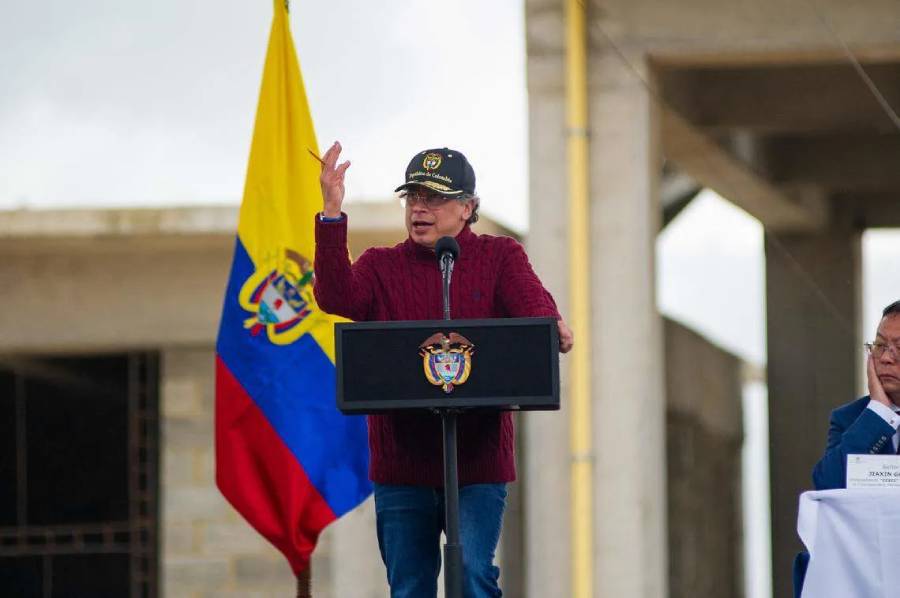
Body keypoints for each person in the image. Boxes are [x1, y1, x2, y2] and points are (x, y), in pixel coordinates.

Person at [313, 141, 573, 598]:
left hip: (477, 461)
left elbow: (532, 306)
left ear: (468, 208)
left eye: (434, 198)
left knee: (473, 574)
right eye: (412, 197)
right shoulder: (379, 265)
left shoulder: (500, 256)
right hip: (402, 465)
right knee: (409, 587)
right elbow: (335, 297)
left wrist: (551, 323)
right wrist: (332, 213)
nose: (419, 208)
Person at [793, 299, 900, 598]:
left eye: (899, 348)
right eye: (880, 346)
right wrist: (879, 414)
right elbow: (827, 484)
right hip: (860, 575)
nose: (886, 358)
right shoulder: (851, 418)